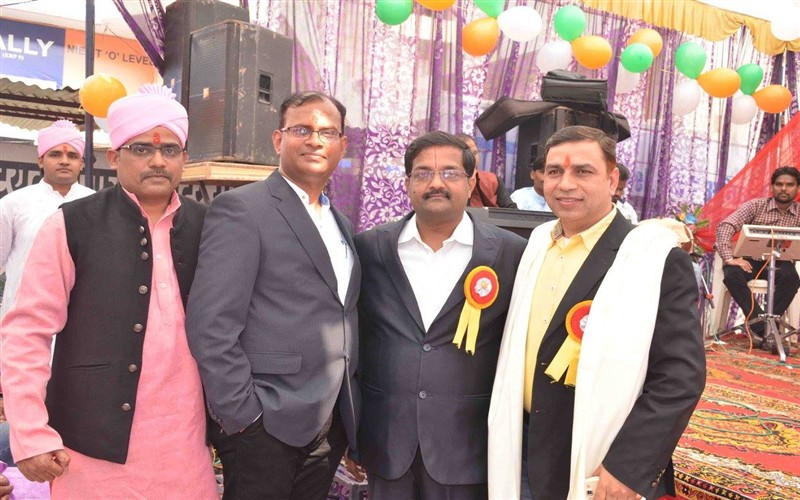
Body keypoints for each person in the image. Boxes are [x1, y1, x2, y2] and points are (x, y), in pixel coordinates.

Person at [0, 84, 217, 498]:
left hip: (185, 447)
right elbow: (27, 332)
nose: (158, 161)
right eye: (141, 149)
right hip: (90, 450)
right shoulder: (72, 224)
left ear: (184, 158)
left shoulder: (208, 226)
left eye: (170, 150)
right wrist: (29, 432)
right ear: (115, 157)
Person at [487, 126, 706, 499]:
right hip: (520, 442)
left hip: (601, 459)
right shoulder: (537, 242)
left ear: (612, 179)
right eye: (554, 171)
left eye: (582, 171)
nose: (565, 184)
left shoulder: (653, 257)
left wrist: (628, 468)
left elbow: (679, 377)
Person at [186, 91, 360, 500]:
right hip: (265, 423)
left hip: (328, 424)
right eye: (302, 130)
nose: (314, 140)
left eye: (327, 132)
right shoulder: (242, 209)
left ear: (342, 145)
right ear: (279, 139)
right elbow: (211, 323)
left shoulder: (341, 222)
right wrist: (243, 415)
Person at [355, 131, 526, 499]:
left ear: (471, 182)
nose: (436, 183)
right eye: (422, 173)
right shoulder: (370, 248)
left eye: (450, 173)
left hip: (468, 447)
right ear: (407, 183)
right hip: (387, 443)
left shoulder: (511, 253)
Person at [0, 119, 94, 319]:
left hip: (81, 318)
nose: (64, 161)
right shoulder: (13, 204)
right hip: (23, 318)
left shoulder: (97, 204)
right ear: (40, 161)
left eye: (72, 156)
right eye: (55, 154)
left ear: (82, 163)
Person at [715, 166, 800, 351]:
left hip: (781, 261)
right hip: (750, 260)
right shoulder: (755, 205)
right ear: (772, 187)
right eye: (779, 184)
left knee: (792, 278)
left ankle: (765, 331)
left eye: (789, 185)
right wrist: (729, 258)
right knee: (732, 274)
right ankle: (765, 329)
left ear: (797, 188)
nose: (784, 188)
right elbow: (726, 226)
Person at [455, 134, 517, 209]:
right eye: (467, 155)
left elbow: (512, 210)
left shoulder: (492, 180)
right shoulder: (450, 183)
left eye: (475, 153)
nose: (473, 158)